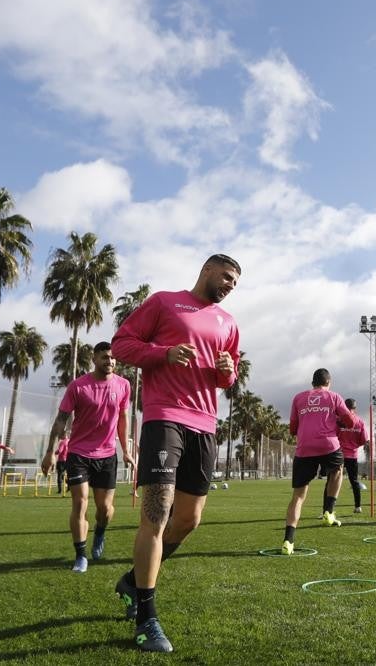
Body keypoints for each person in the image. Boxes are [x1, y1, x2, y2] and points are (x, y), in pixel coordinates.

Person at [110, 254, 242, 653]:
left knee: (189, 519)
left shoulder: (228, 323)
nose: (230, 285)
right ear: (207, 270)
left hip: (205, 424)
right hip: (164, 417)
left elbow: (229, 376)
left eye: (235, 283)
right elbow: (122, 344)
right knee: (157, 512)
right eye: (226, 277)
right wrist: (163, 354)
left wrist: (226, 370)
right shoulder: (165, 302)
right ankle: (146, 616)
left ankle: (132, 580)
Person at [42, 341, 135, 573]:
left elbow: (123, 420)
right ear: (94, 359)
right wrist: (50, 452)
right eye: (104, 357)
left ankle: (100, 531)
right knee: (80, 502)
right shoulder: (78, 386)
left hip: (107, 455)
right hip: (79, 453)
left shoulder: (124, 385)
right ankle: (81, 555)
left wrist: (126, 450)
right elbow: (61, 420)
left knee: (104, 509)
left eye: (113, 358)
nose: (110, 361)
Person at [282, 368, 354, 555]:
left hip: (304, 448)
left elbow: (292, 428)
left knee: (298, 496)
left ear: (312, 382)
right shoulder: (334, 397)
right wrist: (338, 422)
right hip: (328, 445)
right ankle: (328, 511)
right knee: (338, 469)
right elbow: (350, 422)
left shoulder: (298, 398)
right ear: (328, 383)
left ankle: (288, 542)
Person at [337, 398, 368, 513]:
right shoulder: (360, 421)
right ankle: (358, 506)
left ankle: (327, 509)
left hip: (338, 454)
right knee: (354, 481)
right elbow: (363, 440)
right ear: (355, 408)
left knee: (332, 481)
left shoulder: (339, 420)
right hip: (352, 456)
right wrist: (354, 445)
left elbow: (333, 435)